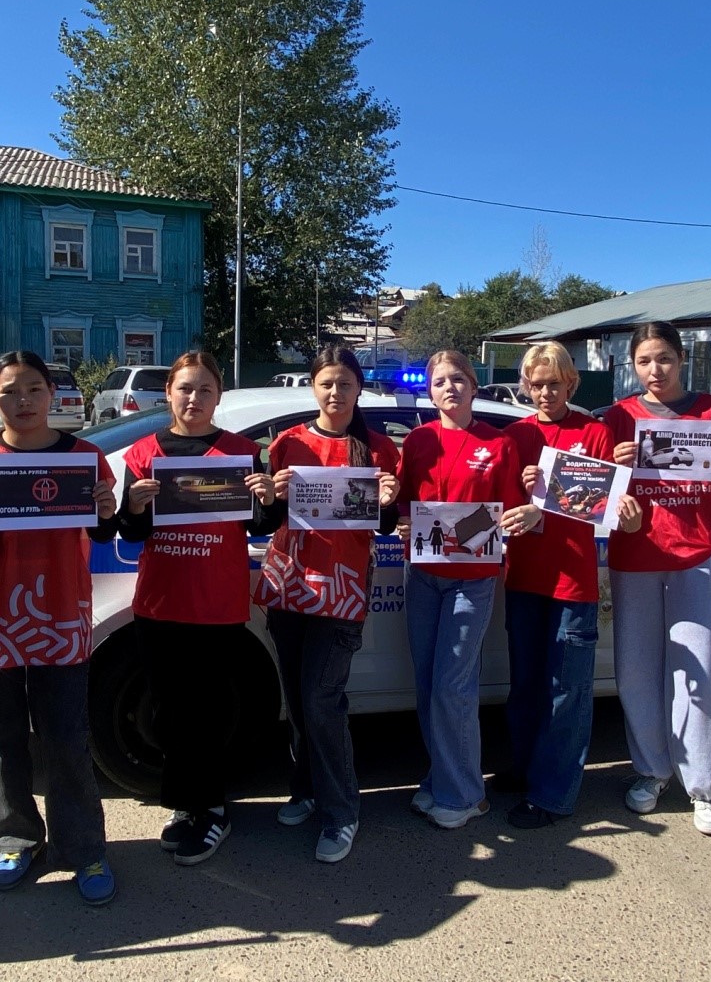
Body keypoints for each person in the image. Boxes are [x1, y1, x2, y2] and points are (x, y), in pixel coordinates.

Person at [0, 351, 119, 904]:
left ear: (53, 396)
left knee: (67, 736)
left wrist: (107, 508)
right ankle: (16, 838)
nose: (22, 402)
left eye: (33, 391)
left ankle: (84, 848)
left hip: (62, 612)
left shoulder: (86, 458)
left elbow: (105, 531)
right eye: (9, 392)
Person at [602, 322, 711, 837]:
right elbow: (591, 493)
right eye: (646, 361)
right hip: (636, 558)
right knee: (635, 673)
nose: (656, 370)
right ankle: (651, 771)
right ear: (633, 365)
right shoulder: (617, 418)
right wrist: (613, 466)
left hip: (696, 556)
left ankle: (705, 788)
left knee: (696, 676)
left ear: (682, 360)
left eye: (665, 359)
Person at [115, 351, 281, 865]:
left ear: (218, 396)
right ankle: (186, 804)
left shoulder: (239, 452)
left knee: (208, 711)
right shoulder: (144, 453)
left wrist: (268, 499)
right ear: (168, 393)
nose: (194, 398)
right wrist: (136, 506)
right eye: (185, 388)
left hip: (217, 602)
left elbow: (258, 528)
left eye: (204, 390)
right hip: (161, 601)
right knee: (168, 711)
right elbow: (129, 531)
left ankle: (211, 809)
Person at [254, 347, 401, 863]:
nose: (335, 393)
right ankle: (307, 789)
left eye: (344, 383)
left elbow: (384, 526)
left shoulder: (379, 449)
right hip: (289, 586)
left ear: (358, 389)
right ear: (312, 388)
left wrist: (389, 500)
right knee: (296, 700)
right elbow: (265, 519)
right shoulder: (287, 444)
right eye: (326, 383)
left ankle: (343, 812)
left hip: (341, 592)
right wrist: (270, 496)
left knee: (322, 700)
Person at [499, 343, 641, 828]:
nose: (544, 393)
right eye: (536, 385)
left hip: (573, 583)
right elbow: (498, 502)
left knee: (566, 692)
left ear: (571, 385)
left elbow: (605, 506)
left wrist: (552, 502)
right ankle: (524, 770)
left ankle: (554, 795)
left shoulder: (594, 433)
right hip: (523, 579)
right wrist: (520, 486)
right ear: (525, 386)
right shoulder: (514, 434)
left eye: (554, 384)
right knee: (526, 687)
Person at [396, 349, 538, 830]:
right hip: (422, 576)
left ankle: (466, 795)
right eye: (440, 382)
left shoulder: (498, 444)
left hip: (472, 581)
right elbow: (403, 504)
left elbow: (508, 513)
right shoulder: (417, 441)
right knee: (428, 683)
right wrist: (401, 523)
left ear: (474, 387)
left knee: (454, 687)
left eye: (459, 379)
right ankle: (440, 779)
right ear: (430, 391)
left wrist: (459, 532)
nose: (450, 388)